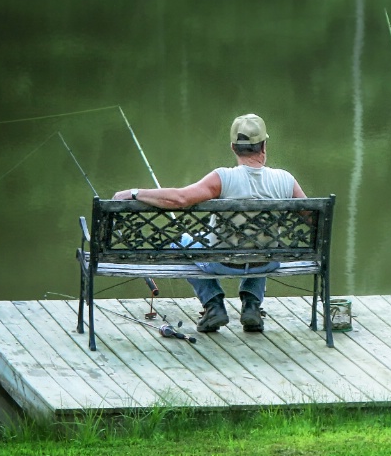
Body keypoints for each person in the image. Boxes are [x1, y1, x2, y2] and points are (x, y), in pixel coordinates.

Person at [112, 113, 306, 334]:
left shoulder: (223, 178)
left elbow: (180, 199)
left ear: (233, 147)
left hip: (221, 261)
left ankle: (213, 304)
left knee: (179, 242)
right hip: (266, 262)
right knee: (259, 243)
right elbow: (310, 214)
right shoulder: (285, 179)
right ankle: (251, 305)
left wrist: (135, 192)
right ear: (264, 145)